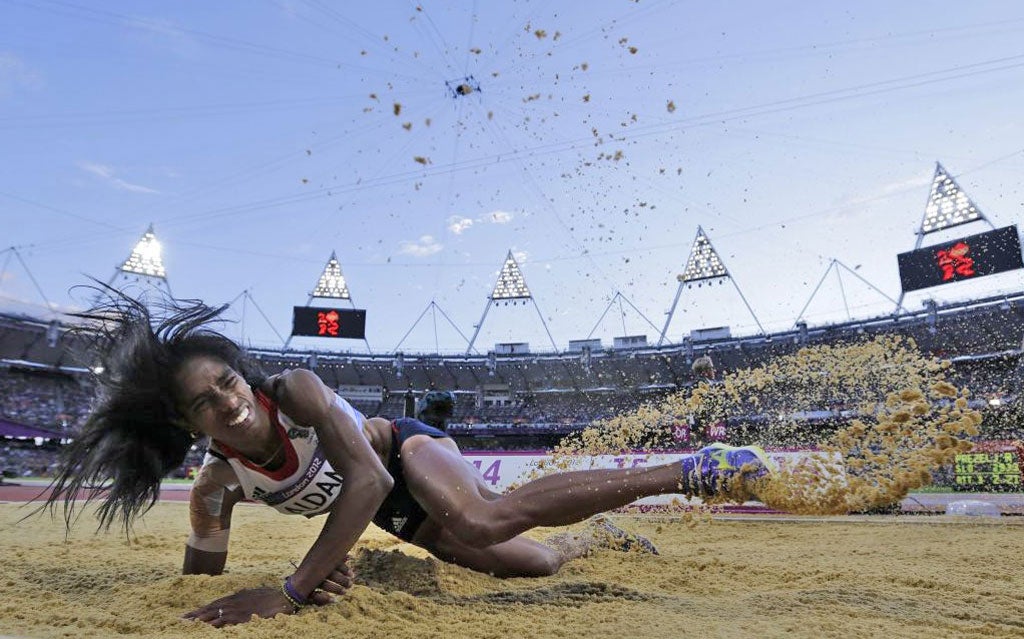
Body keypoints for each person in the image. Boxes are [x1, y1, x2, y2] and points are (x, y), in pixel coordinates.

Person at [42, 289, 775, 627]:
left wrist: (298, 586)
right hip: (387, 510)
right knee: (536, 563)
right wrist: (234, 599)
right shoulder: (215, 486)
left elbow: (367, 475)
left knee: (482, 519)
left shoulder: (293, 391)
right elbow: (198, 588)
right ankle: (593, 538)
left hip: (406, 449)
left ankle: (692, 469)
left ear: (244, 378)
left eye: (226, 381)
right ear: (186, 420)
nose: (226, 402)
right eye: (203, 401)